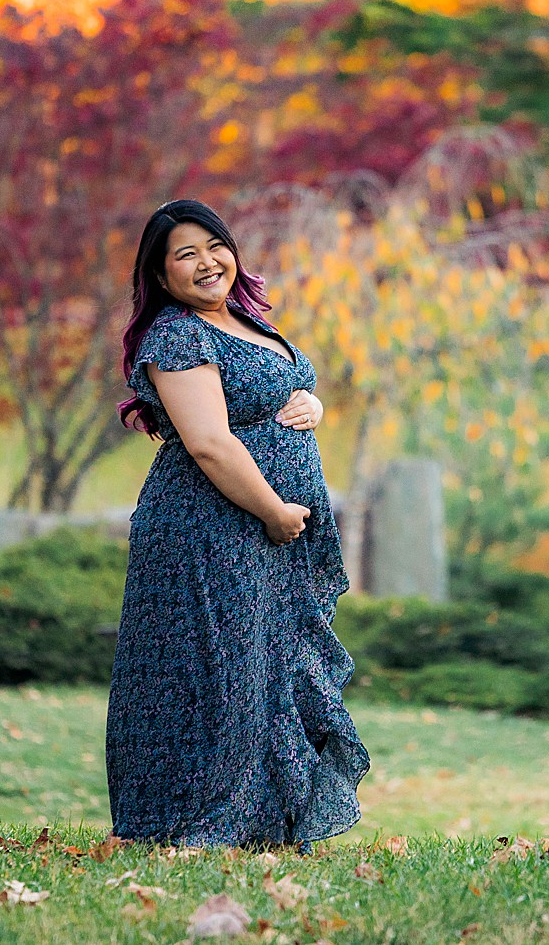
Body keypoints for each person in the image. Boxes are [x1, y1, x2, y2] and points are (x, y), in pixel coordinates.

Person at [107, 199, 371, 854]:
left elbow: (268, 396)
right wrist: (276, 511)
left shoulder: (244, 322)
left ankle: (261, 821)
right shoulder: (177, 335)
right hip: (207, 526)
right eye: (184, 254)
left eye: (213, 245)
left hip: (260, 535)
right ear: (161, 277)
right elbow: (209, 444)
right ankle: (187, 823)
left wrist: (307, 399)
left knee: (264, 669)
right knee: (209, 671)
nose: (205, 261)